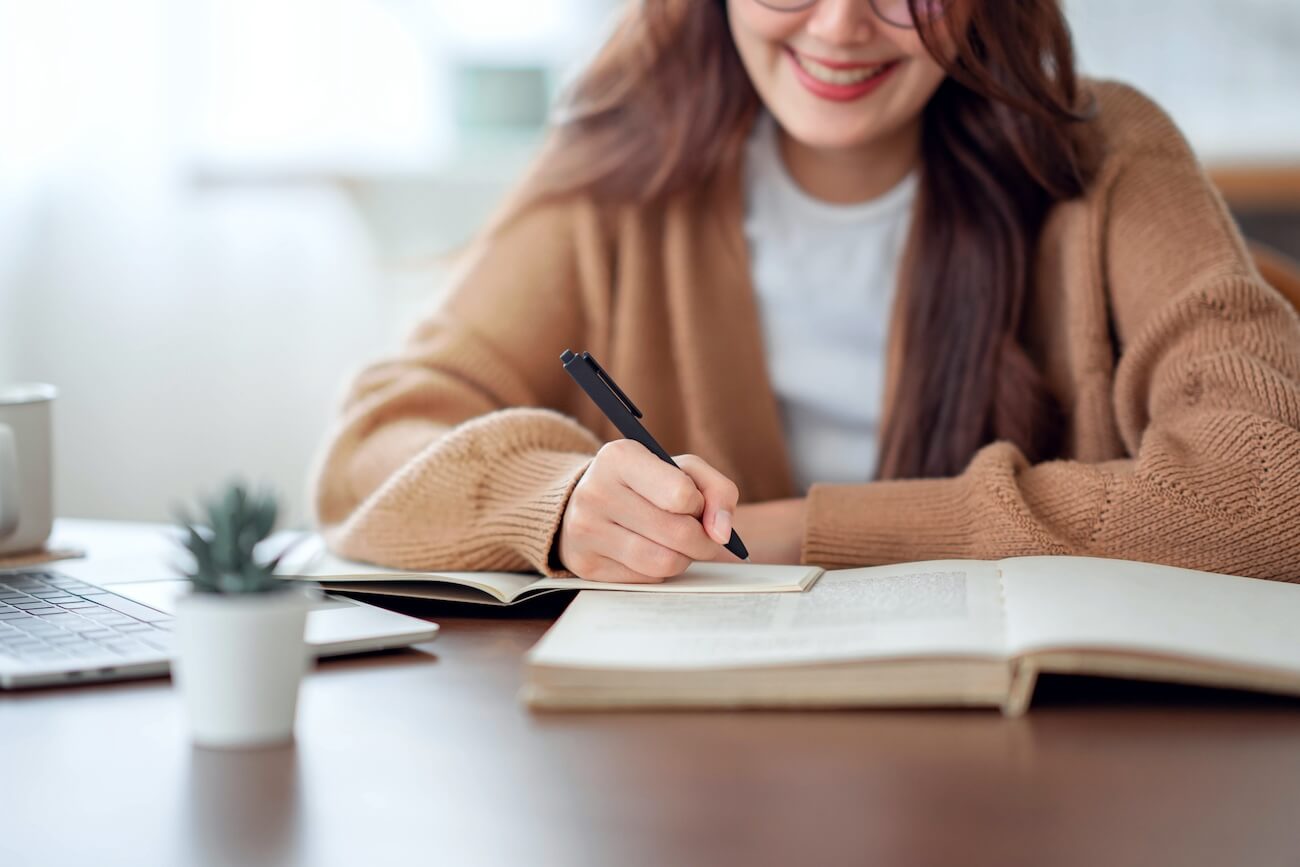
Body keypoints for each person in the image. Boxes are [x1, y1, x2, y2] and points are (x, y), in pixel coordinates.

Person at [313, 0, 1300, 583]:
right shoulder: (617, 172)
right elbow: (371, 452)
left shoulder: (1107, 156)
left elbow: (1273, 491)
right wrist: (560, 500)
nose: (839, 27)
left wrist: (800, 530)